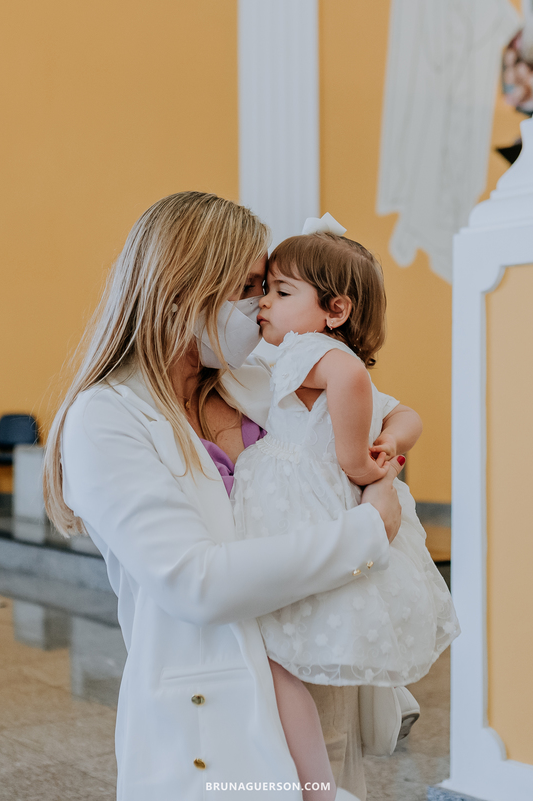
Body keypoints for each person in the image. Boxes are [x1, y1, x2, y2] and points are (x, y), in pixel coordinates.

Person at [43, 192, 406, 801]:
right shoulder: (106, 419)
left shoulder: (255, 382)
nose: (260, 306)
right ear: (185, 289)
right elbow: (197, 582)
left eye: (267, 287)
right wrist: (370, 531)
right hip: (214, 712)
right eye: (249, 286)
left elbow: (372, 419)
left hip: (320, 679)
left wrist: (384, 448)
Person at [234, 220, 460, 799]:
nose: (264, 303)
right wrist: (395, 441)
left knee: (289, 627)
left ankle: (317, 775)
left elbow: (358, 386)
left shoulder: (321, 356)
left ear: (335, 310)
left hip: (304, 504)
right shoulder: (298, 353)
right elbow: (406, 412)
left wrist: (366, 463)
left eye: (282, 293)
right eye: (266, 290)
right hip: (296, 501)